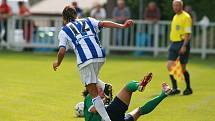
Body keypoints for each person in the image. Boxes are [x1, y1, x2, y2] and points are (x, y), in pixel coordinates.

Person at [52, 5, 133, 121]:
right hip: (100, 55)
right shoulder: (88, 20)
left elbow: (61, 51)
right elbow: (103, 23)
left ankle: (107, 119)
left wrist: (57, 63)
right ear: (76, 15)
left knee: (93, 93)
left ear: (64, 19)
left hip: (86, 60)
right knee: (93, 79)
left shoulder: (64, 30)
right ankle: (104, 86)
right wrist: (122, 25)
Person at [83, 73, 172, 121]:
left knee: (139, 111)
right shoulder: (89, 96)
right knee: (127, 88)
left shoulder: (94, 94)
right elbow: (93, 109)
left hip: (113, 116)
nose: (102, 91)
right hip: (111, 114)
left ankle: (163, 94)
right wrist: (104, 99)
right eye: (100, 90)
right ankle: (139, 85)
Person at [167, 0, 193, 95]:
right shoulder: (175, 16)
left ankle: (188, 88)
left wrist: (184, 46)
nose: (175, 7)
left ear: (181, 6)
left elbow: (187, 33)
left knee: (182, 68)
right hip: (174, 43)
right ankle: (175, 88)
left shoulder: (186, 17)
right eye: (174, 5)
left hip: (182, 43)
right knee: (170, 66)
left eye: (177, 5)